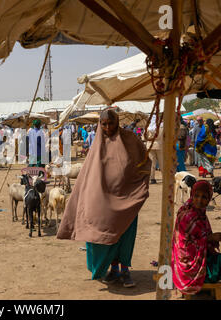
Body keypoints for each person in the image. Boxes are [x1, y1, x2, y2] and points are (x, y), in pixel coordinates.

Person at [57, 109, 151, 287]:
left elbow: (144, 162)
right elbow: (88, 174)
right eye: (104, 124)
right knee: (102, 235)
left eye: (111, 123)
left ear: (117, 122)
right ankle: (113, 269)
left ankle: (125, 271)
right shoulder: (96, 145)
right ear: (100, 125)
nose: (108, 127)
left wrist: (137, 186)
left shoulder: (129, 139)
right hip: (102, 201)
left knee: (125, 237)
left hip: (127, 199)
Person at [172, 180, 221, 296]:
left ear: (209, 199)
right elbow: (185, 247)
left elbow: (200, 237)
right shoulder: (188, 216)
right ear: (192, 195)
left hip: (200, 259)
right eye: (196, 196)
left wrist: (213, 238)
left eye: (204, 197)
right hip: (189, 268)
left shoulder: (199, 214)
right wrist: (211, 238)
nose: (199, 200)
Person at [146, 115, 163, 184]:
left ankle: (152, 178)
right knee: (162, 162)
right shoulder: (162, 126)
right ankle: (164, 177)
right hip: (160, 145)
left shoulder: (148, 127)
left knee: (152, 163)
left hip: (150, 145)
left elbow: (144, 137)